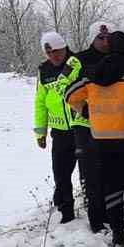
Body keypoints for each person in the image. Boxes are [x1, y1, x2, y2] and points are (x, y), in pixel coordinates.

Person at [65, 31, 124, 246]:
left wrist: (85, 110)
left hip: (101, 138)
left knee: (111, 186)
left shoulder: (91, 72)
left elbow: (69, 95)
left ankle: (117, 234)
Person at [33, 31, 86, 223]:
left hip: (81, 128)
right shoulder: (44, 70)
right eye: (49, 53)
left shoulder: (77, 63)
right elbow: (40, 102)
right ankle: (66, 212)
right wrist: (40, 131)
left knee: (86, 173)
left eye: (57, 51)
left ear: (65, 48)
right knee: (61, 174)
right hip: (59, 132)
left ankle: (93, 207)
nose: (54, 56)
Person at [70, 21, 116, 231]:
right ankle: (97, 221)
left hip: (112, 125)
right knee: (92, 174)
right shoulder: (79, 60)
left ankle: (113, 217)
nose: (105, 41)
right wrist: (85, 110)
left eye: (108, 37)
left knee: (111, 172)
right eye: (100, 38)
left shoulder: (117, 58)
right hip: (86, 126)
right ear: (92, 38)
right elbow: (65, 88)